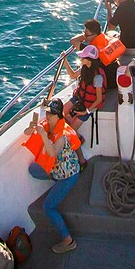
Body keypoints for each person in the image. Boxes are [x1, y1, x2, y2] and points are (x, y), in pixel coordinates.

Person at [23, 98, 81, 254]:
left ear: (59, 115)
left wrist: (42, 134)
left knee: (48, 207)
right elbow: (27, 133)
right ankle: (53, 176)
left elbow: (52, 152)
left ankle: (68, 241)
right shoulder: (48, 125)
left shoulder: (63, 135)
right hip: (56, 169)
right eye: (48, 112)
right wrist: (31, 128)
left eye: (52, 114)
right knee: (33, 169)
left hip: (68, 175)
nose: (48, 116)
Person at [69, 18, 124, 87]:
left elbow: (73, 41)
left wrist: (84, 37)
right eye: (83, 33)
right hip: (115, 79)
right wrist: (87, 35)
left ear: (95, 35)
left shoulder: (91, 50)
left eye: (86, 34)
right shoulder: (106, 39)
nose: (84, 36)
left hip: (107, 83)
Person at [64, 44, 106, 131]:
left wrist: (86, 111)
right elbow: (72, 75)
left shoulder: (98, 77)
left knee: (72, 129)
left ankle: (75, 136)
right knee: (61, 112)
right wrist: (65, 61)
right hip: (80, 97)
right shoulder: (84, 68)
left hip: (90, 105)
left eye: (83, 57)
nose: (80, 59)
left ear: (89, 60)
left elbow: (99, 99)